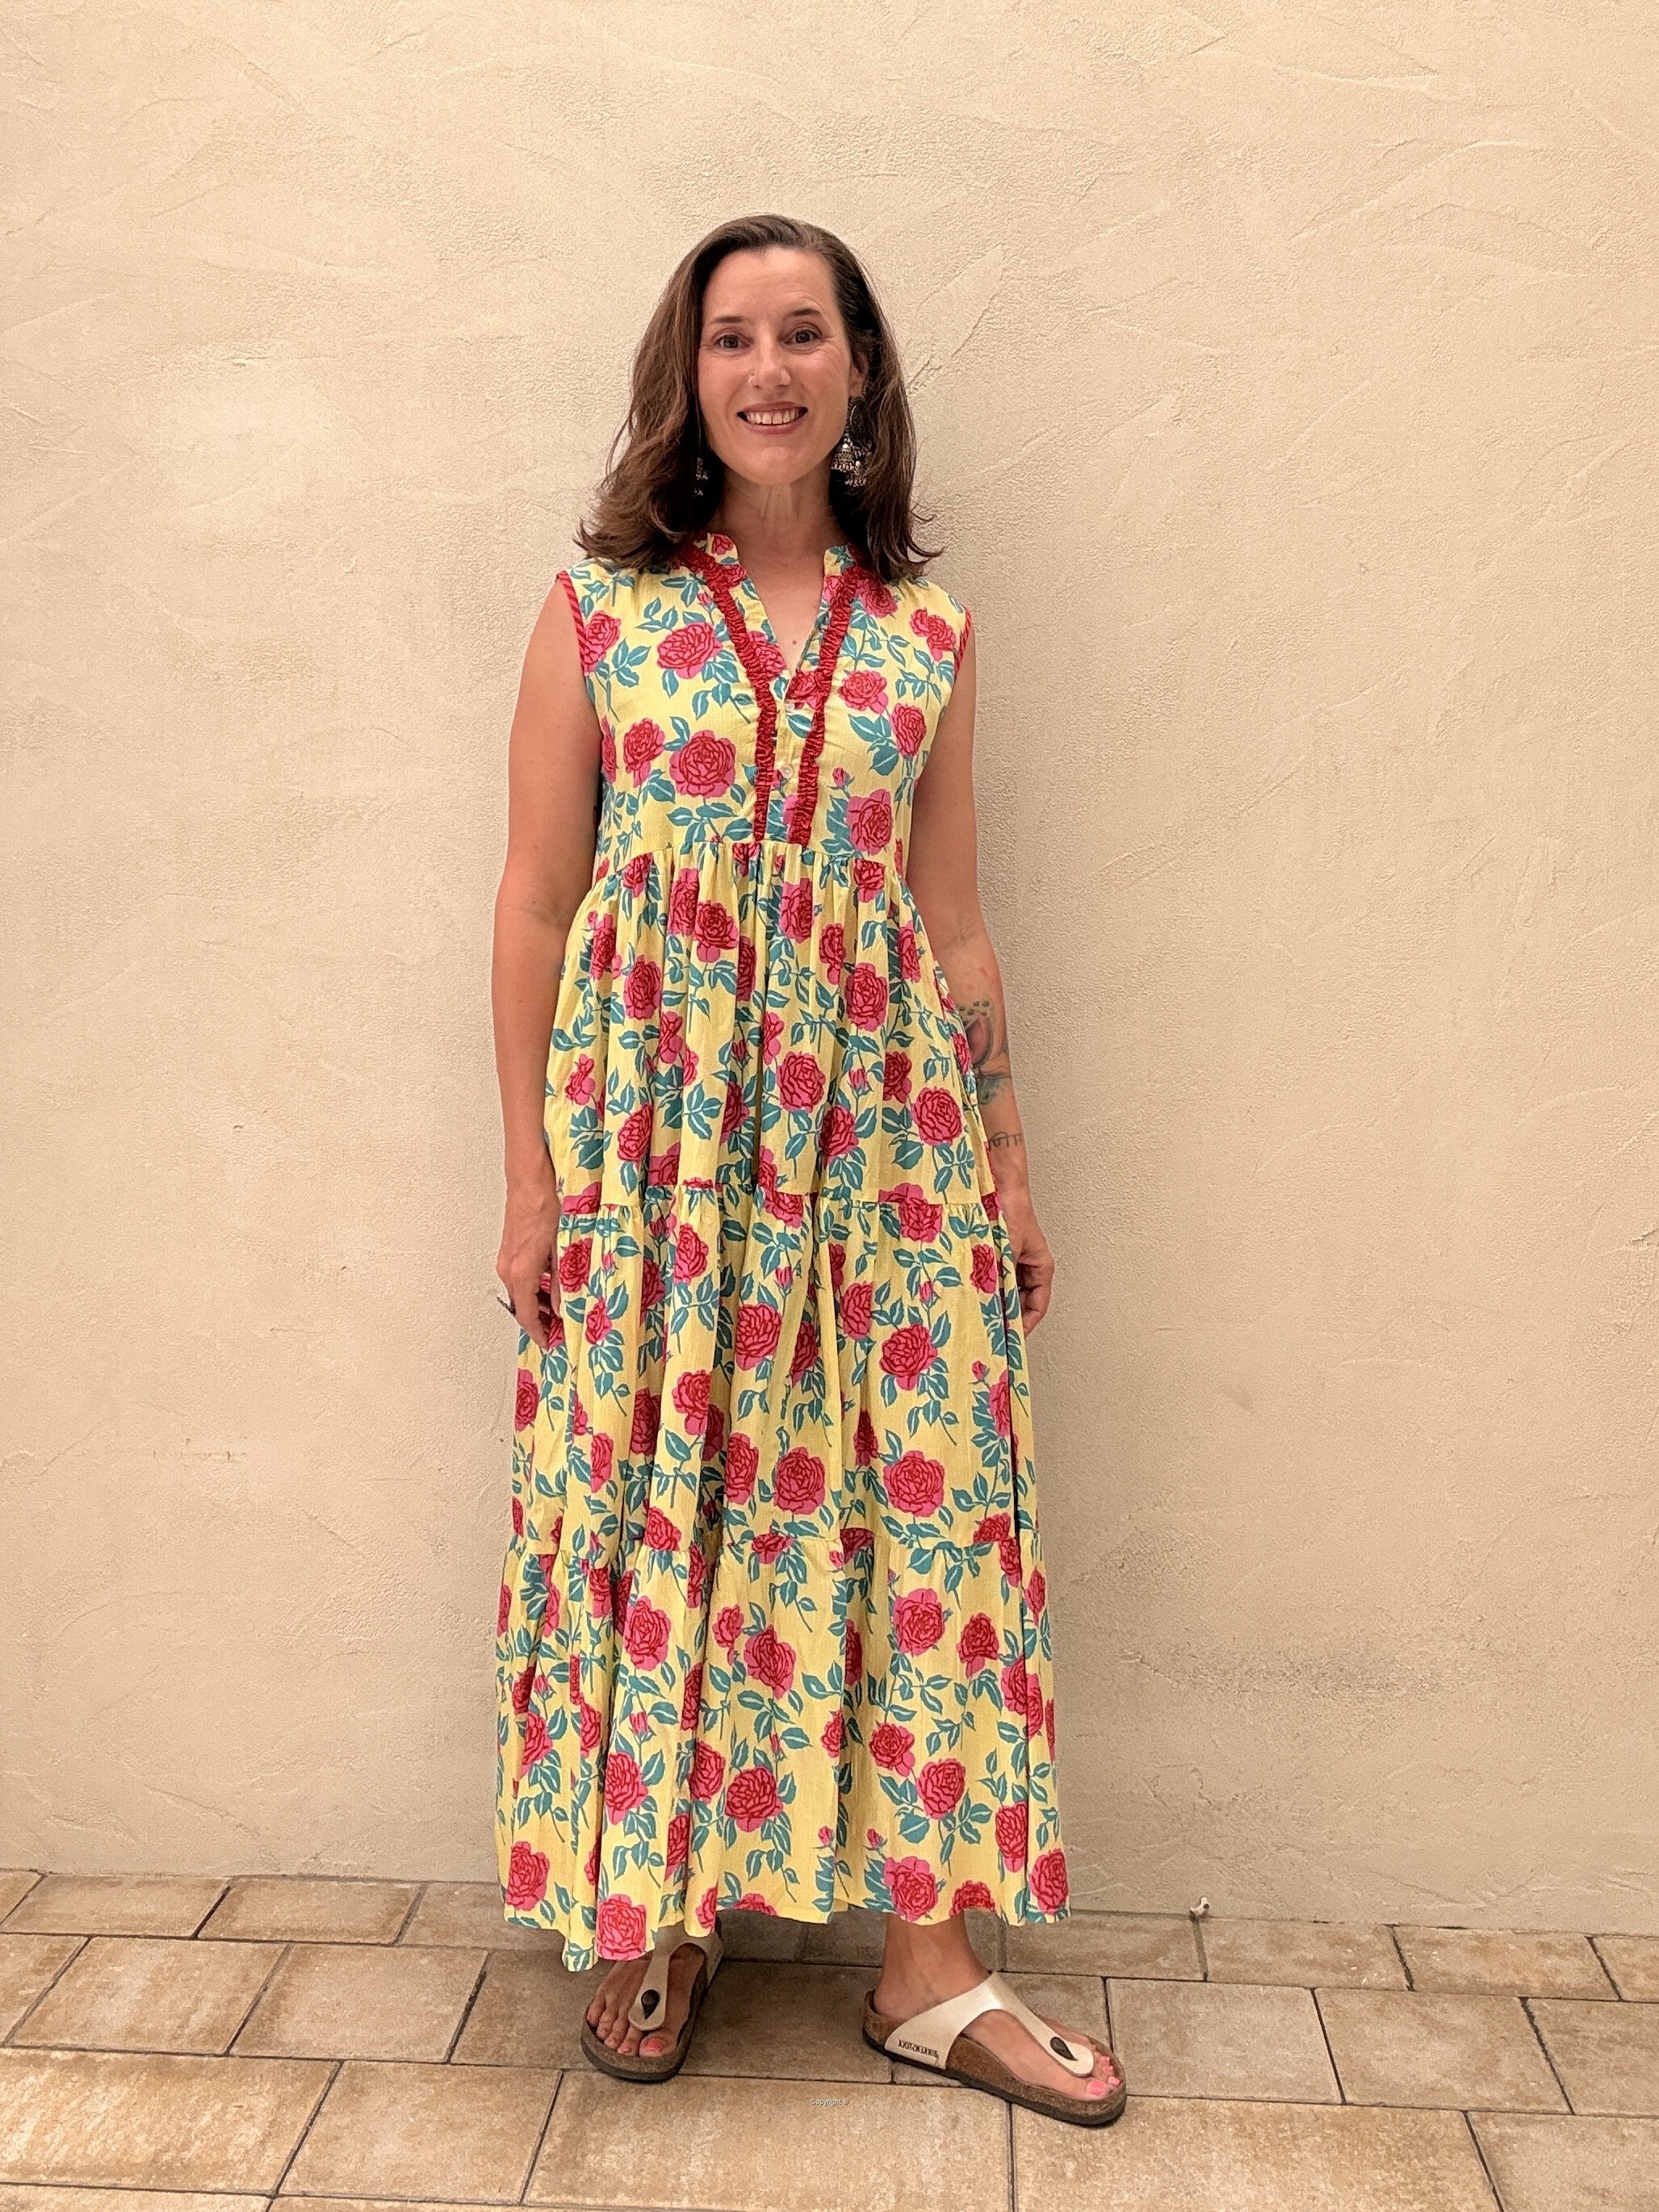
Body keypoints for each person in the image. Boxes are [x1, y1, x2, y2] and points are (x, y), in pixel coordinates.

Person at [490, 212, 1124, 2125]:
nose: (766, 369)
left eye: (802, 334)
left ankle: (929, 1968)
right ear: (686, 380)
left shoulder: (922, 635)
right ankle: (656, 1900)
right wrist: (531, 1180)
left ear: (859, 370)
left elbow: (952, 925)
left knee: (919, 1529)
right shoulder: (597, 609)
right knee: (662, 1499)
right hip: (664, 1167)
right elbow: (533, 906)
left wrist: (1007, 1159)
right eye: (731, 339)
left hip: (889, 1154)